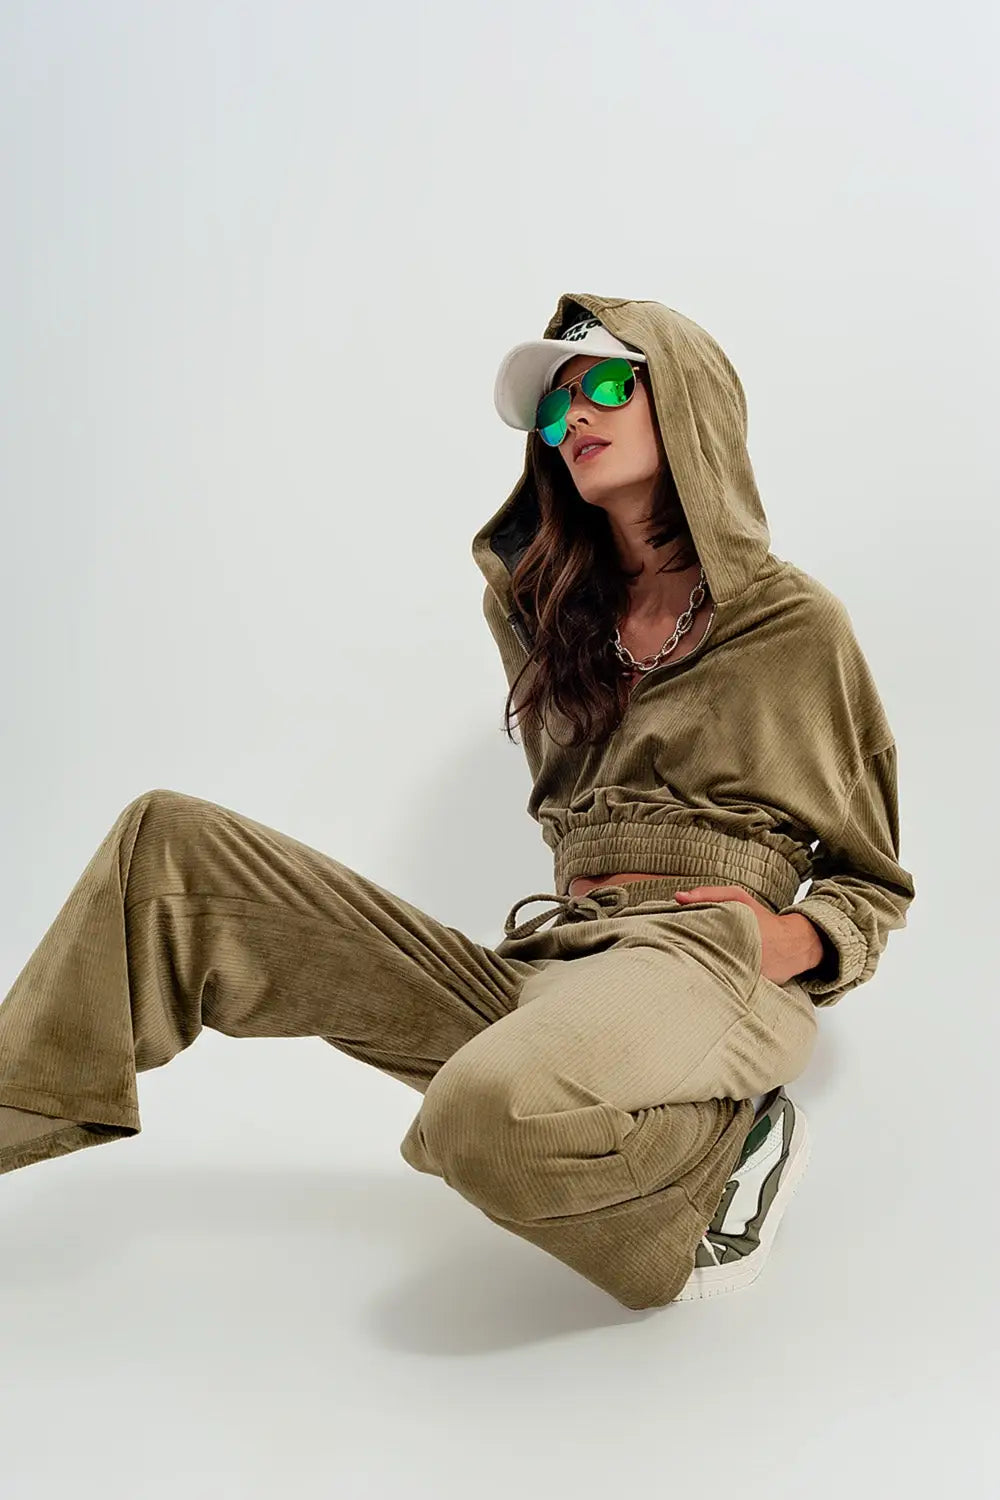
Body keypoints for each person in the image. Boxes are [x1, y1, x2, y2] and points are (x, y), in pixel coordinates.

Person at [0, 292, 915, 1311]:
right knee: (168, 846)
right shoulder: (550, 624)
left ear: (688, 399)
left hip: (704, 963)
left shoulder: (793, 625)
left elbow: (871, 881)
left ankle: (719, 1159)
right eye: (554, 407)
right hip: (554, 966)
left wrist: (777, 940)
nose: (573, 417)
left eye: (607, 385)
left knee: (480, 1114)